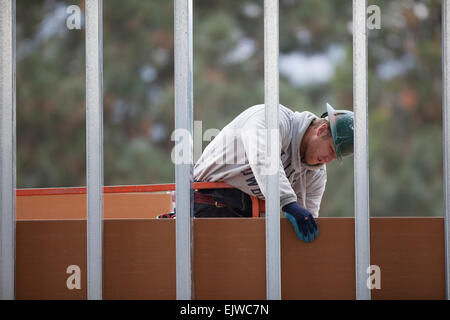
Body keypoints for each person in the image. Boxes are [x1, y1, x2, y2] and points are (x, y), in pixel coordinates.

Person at [159, 103, 354, 243]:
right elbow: (264, 158)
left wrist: (306, 225)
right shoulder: (271, 117)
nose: (328, 160)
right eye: (330, 150)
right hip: (207, 206)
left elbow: (307, 217)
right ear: (320, 130)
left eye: (335, 158)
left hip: (249, 220)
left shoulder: (315, 173)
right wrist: (288, 202)